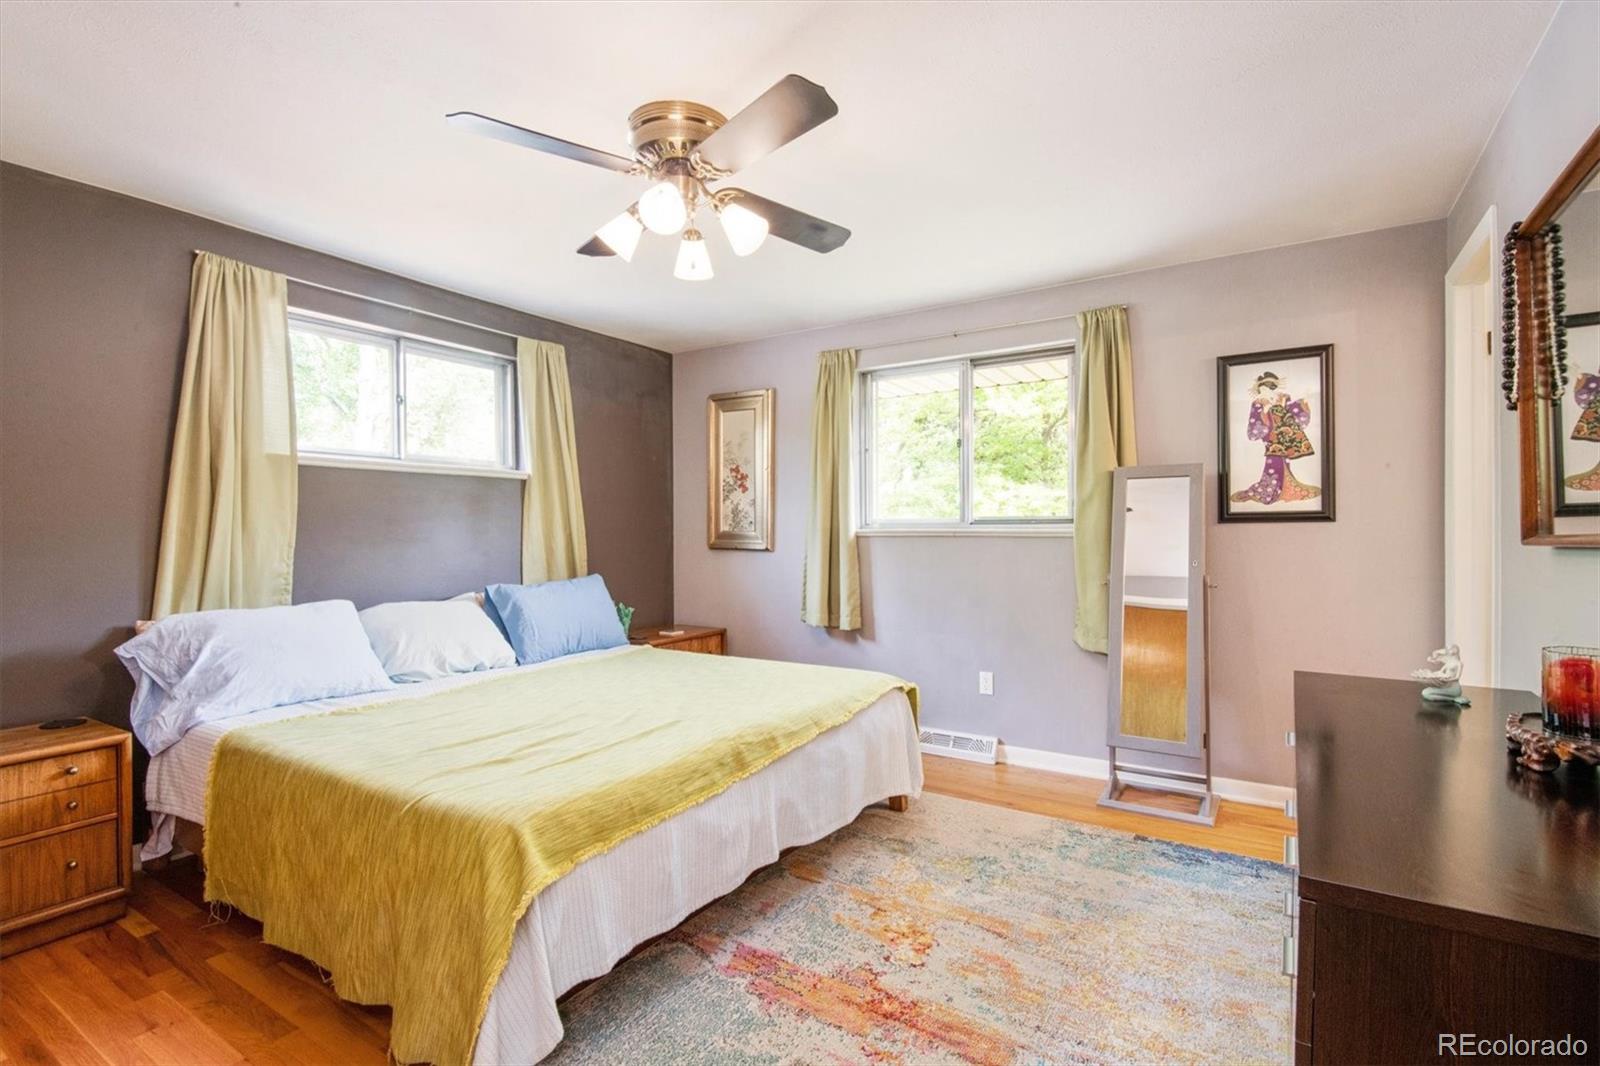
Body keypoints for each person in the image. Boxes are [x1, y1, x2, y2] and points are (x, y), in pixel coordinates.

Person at [1230, 371, 1320, 505]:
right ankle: (1271, 490)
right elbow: (1255, 422)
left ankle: (1284, 489)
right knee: (1274, 461)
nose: (1267, 389)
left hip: (1284, 437)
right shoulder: (1258, 402)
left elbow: (1291, 412)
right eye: (1264, 387)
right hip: (1271, 437)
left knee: (1284, 461)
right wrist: (1265, 410)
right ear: (1259, 388)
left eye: (1270, 386)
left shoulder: (1282, 398)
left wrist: (1303, 403)